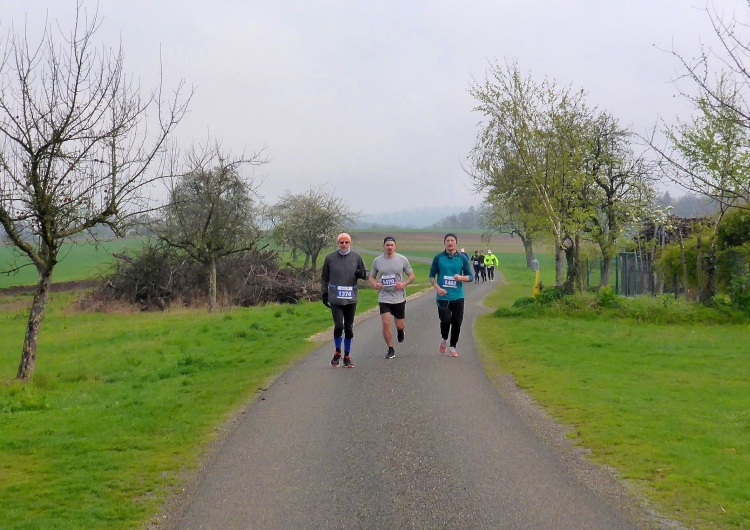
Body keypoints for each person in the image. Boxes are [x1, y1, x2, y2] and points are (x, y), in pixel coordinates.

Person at [320, 232, 368, 368]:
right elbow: (324, 278)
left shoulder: (356, 257)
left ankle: (347, 356)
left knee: (348, 327)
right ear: (338, 243)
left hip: (351, 298)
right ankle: (337, 352)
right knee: (339, 326)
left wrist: (362, 274)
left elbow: (367, 274)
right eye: (341, 242)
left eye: (346, 242)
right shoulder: (330, 258)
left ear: (350, 243)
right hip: (335, 298)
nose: (344, 244)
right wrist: (324, 293)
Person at [369, 236, 415, 359]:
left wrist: (403, 284)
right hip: (384, 296)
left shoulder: (402, 259)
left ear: (395, 246)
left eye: (391, 245)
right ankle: (390, 349)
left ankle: (400, 331)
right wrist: (375, 285)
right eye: (387, 245)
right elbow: (371, 277)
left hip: (399, 297)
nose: (389, 247)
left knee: (400, 325)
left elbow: (411, 276)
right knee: (385, 323)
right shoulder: (377, 261)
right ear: (383, 246)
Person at [429, 233, 473, 357]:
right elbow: (431, 276)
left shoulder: (462, 258)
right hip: (443, 296)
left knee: (457, 322)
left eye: (452, 240)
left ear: (456, 243)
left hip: (458, 296)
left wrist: (461, 278)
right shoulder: (439, 258)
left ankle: (453, 347)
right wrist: (438, 288)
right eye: (447, 240)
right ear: (444, 243)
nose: (450, 243)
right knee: (445, 320)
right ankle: (444, 339)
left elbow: (470, 276)